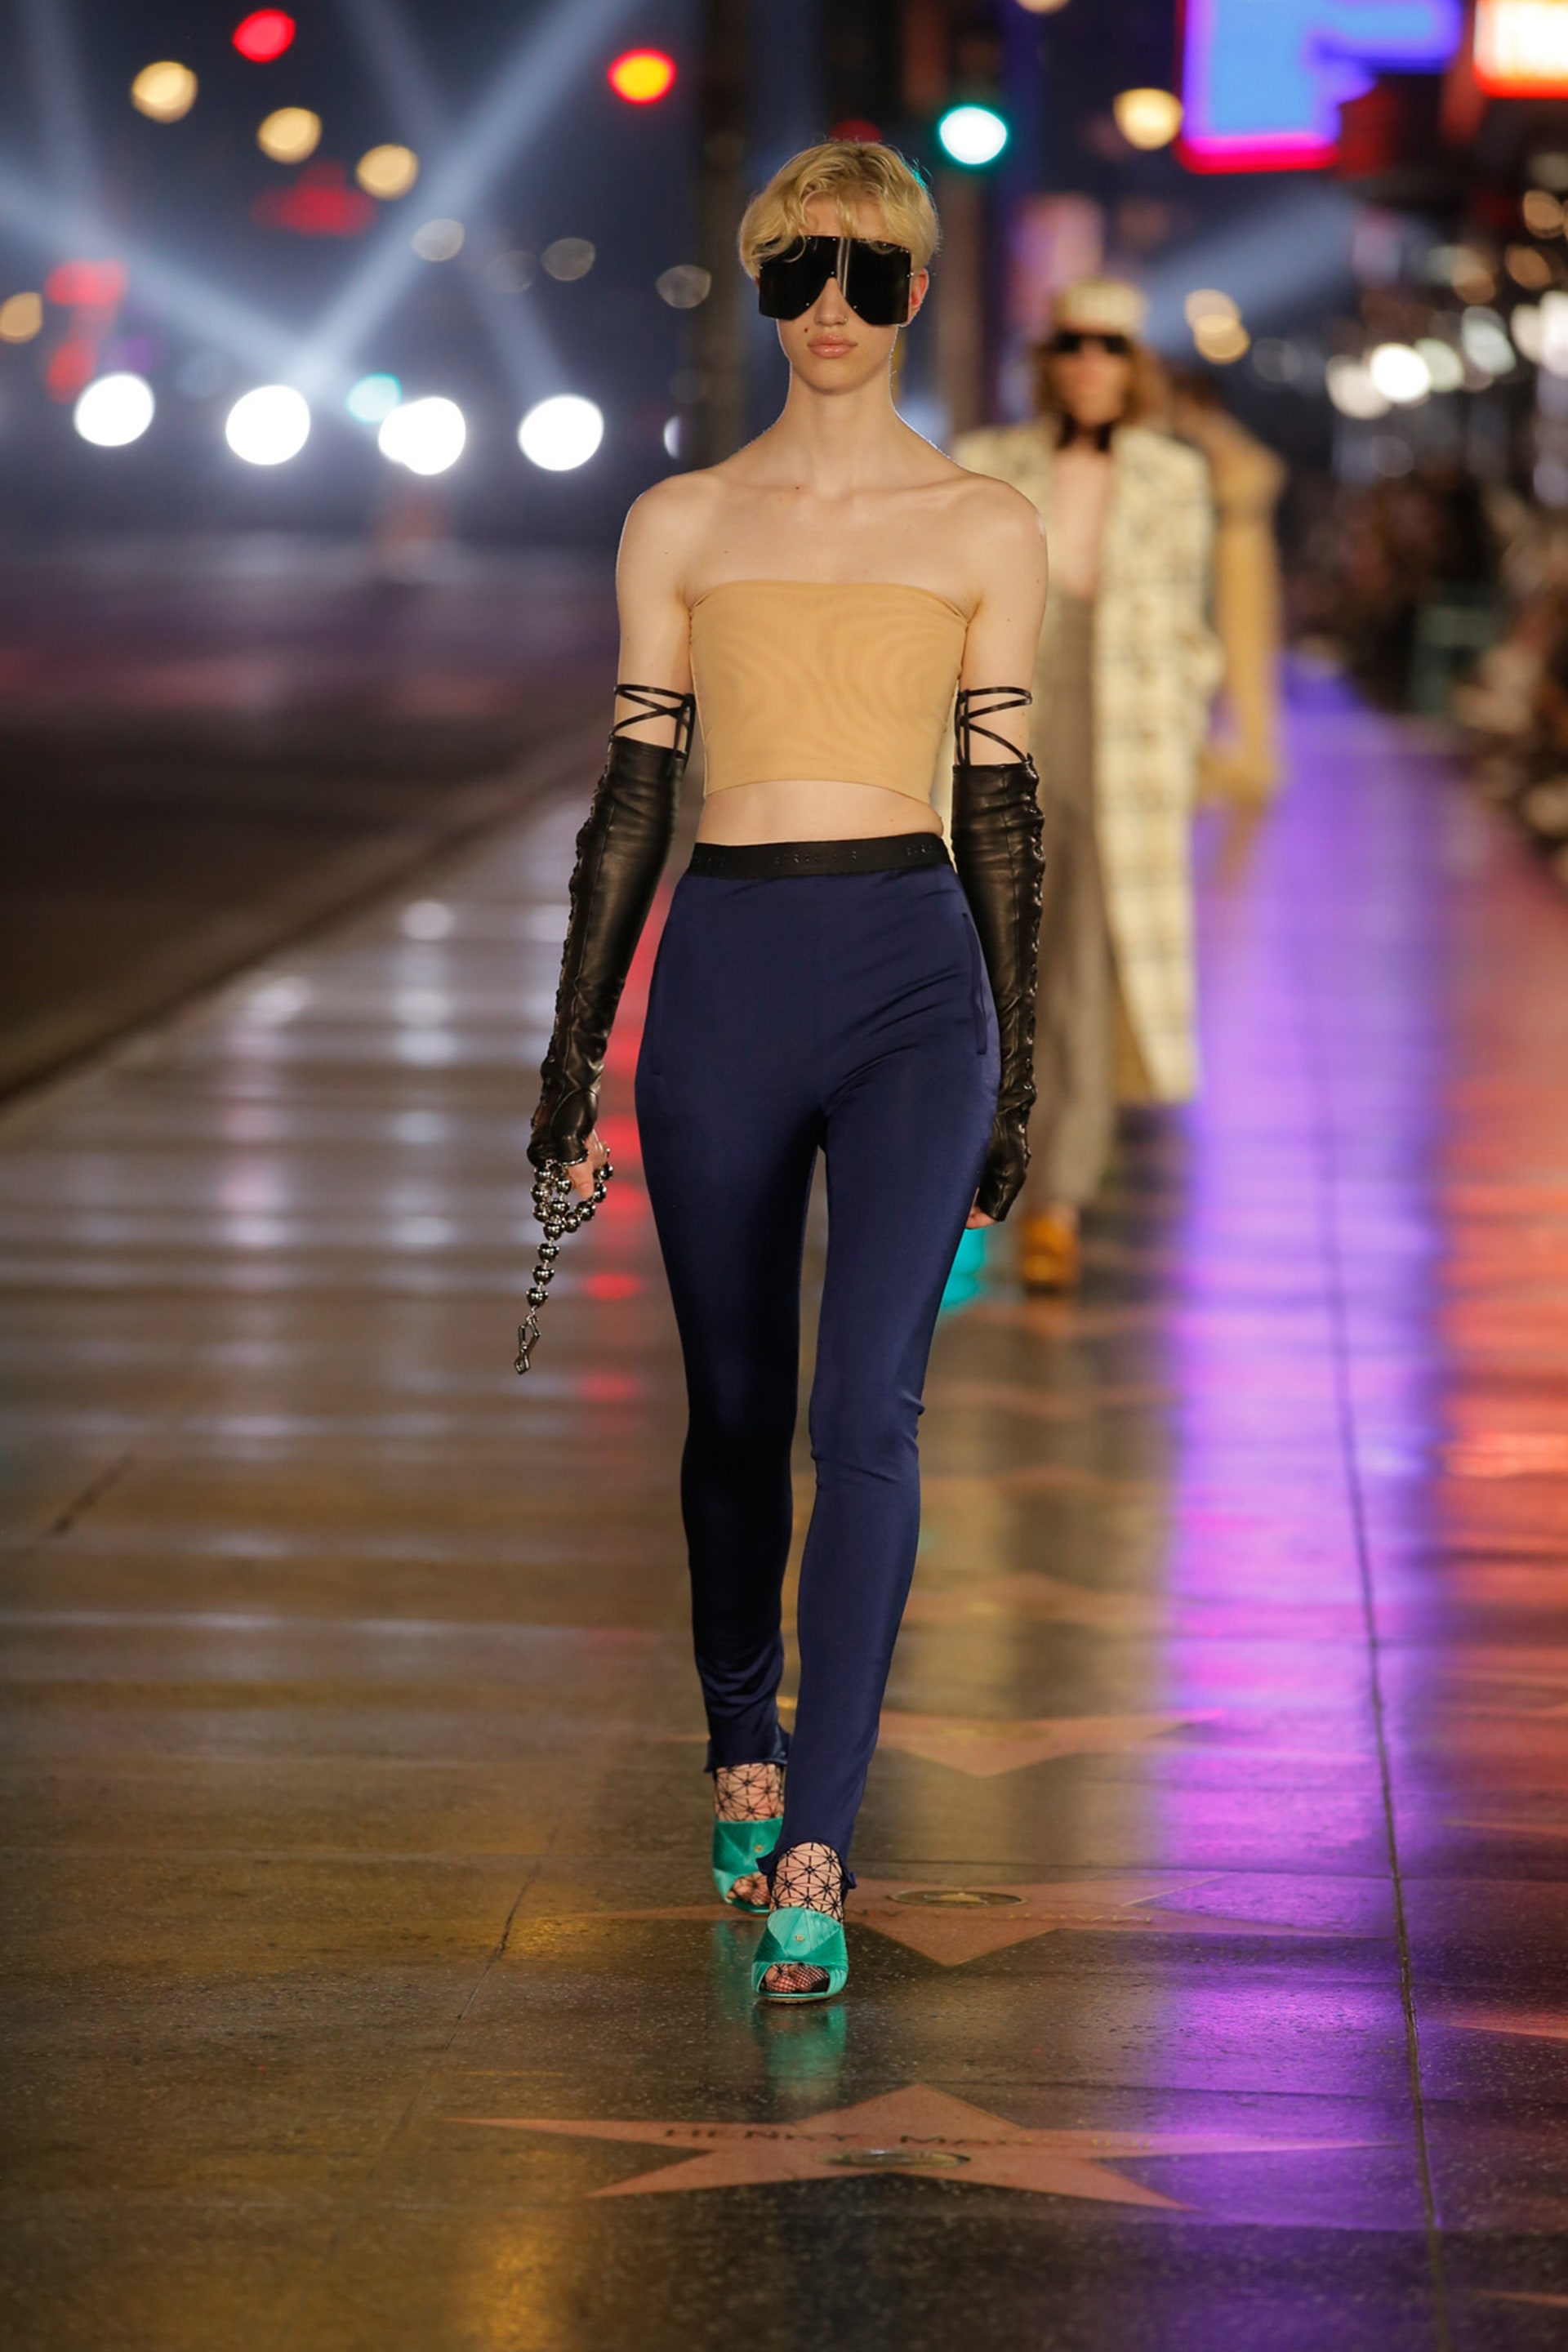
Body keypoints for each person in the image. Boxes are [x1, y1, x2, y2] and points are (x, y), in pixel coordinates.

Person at [528, 140, 1048, 2002]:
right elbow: (632, 802)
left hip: (914, 975)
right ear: (759, 287)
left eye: (870, 272)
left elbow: (1002, 812)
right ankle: (740, 1747)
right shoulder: (680, 521)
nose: (833, 304)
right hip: (728, 965)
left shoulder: (984, 526)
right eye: (797, 269)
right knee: (739, 1413)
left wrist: (1017, 1063)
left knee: (865, 1414)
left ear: (916, 292)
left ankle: (820, 1842)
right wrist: (571, 1048)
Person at [955, 279, 1221, 1293]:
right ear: (1048, 357)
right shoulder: (992, 460)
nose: (1090, 364)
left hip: (1128, 740)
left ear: (1135, 362)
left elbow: (1190, 620)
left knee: (1083, 976)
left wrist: (1189, 730)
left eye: (1111, 345)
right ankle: (963, 1181)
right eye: (1073, 343)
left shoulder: (1172, 476)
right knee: (988, 958)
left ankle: (1057, 1200)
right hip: (1011, 721)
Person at [1165, 367, 1287, 807]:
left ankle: (1251, 762)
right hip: (1221, 562)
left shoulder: (1213, 435)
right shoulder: (1196, 437)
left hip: (1235, 566)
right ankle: (1233, 759)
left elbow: (1259, 478)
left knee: (1242, 660)